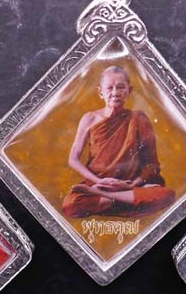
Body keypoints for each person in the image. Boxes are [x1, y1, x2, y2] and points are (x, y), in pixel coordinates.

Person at [62, 65, 175, 218]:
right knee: (70, 205)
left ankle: (108, 198)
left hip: (129, 184)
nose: (115, 93)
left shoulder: (138, 118)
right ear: (100, 92)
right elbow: (73, 159)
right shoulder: (89, 119)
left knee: (167, 195)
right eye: (109, 88)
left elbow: (151, 163)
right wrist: (100, 182)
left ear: (129, 90)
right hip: (98, 183)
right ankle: (123, 199)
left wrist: (133, 184)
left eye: (121, 87)